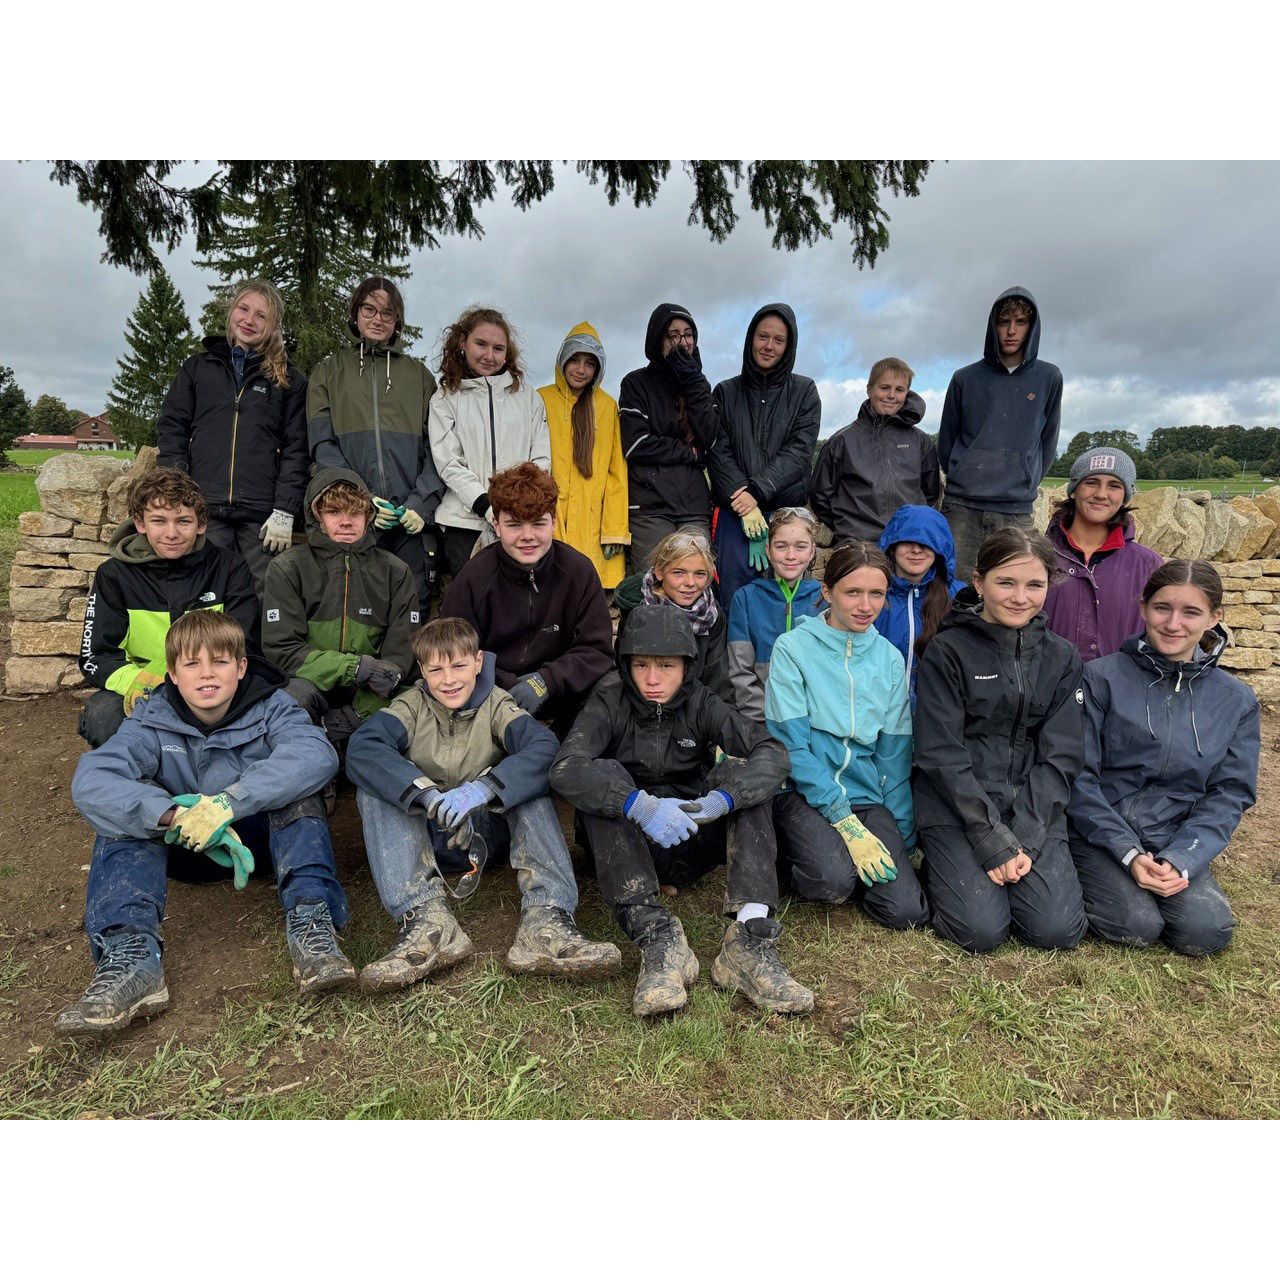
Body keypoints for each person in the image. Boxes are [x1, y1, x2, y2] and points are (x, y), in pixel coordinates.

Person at [58, 611, 354, 1038]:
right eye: (192, 664)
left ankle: (312, 924)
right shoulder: (150, 717)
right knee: (125, 812)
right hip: (185, 846)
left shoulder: (273, 706)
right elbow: (93, 780)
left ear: (241, 667)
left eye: (219, 661)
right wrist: (171, 814)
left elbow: (315, 754)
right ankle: (131, 954)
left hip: (257, 845)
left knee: (298, 793)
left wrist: (228, 803)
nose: (206, 674)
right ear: (173, 674)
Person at [551, 605, 811, 1017]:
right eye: (642, 665)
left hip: (691, 831)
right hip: (632, 845)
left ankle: (749, 938)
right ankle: (658, 939)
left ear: (687, 666)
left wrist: (719, 801)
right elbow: (565, 768)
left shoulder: (702, 701)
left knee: (742, 778)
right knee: (602, 776)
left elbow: (772, 752)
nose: (653, 679)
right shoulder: (608, 699)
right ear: (626, 664)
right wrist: (638, 805)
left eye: (667, 666)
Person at [345, 616, 620, 990]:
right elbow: (363, 748)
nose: (449, 680)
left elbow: (543, 747)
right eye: (436, 670)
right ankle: (426, 922)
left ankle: (547, 921)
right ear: (422, 670)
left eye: (459, 666)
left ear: (478, 662)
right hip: (428, 837)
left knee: (526, 787)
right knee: (375, 788)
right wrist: (425, 794)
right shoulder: (409, 706)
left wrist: (484, 789)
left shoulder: (497, 703)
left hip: (486, 834)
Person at [913, 527, 1088, 954]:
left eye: (1034, 585)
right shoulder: (947, 651)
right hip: (958, 806)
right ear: (979, 582)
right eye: (1006, 582)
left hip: (1032, 806)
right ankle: (938, 867)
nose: (1020, 597)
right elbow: (941, 754)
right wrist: (990, 837)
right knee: (980, 931)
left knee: (1055, 931)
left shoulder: (1063, 657)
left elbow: (1062, 755)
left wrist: (1025, 835)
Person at [1068, 560, 1253, 956]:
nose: (1173, 624)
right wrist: (1128, 852)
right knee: (1136, 924)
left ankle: (1168, 876)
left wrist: (1184, 857)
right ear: (1143, 607)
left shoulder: (1236, 700)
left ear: (1214, 618)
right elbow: (1078, 777)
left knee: (1205, 932)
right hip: (1102, 832)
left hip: (1175, 835)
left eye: (1191, 612)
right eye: (1162, 608)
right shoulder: (1099, 678)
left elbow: (1230, 792)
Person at [765, 542, 929, 930]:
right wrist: (844, 822)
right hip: (803, 792)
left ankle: (843, 860)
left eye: (877, 594)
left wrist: (901, 837)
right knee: (830, 881)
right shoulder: (792, 648)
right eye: (852, 592)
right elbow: (792, 747)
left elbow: (893, 753)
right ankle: (800, 854)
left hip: (865, 796)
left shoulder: (889, 658)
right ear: (827, 591)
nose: (865, 605)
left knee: (906, 912)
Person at [78, 466, 259, 747]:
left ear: (201, 523)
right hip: (142, 684)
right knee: (102, 718)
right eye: (159, 521)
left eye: (183, 521)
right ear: (140, 523)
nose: (171, 533)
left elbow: (244, 643)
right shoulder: (113, 575)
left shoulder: (229, 567)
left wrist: (201, 681)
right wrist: (140, 681)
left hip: (212, 683)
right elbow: (96, 656)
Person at [440, 463, 614, 738]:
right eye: (514, 525)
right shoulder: (474, 577)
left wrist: (545, 681)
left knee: (611, 687)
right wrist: (506, 686)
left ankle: (570, 752)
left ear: (553, 522)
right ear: (496, 525)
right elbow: (454, 652)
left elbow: (597, 651)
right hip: (493, 699)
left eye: (538, 523)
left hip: (563, 698)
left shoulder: (578, 571)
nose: (527, 536)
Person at [157, 279, 308, 594]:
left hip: (262, 513)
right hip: (205, 506)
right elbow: (173, 428)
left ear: (274, 325)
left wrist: (285, 509)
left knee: (265, 591)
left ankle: (257, 634)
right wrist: (177, 487)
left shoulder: (289, 381)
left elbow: (297, 448)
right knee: (205, 589)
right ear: (231, 312)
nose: (249, 320)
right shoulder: (198, 368)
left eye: (261, 315)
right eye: (244, 309)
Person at [306, 276, 444, 612]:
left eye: (387, 312)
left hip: (409, 524)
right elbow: (323, 447)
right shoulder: (328, 372)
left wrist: (420, 504)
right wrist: (362, 500)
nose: (378, 319)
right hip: (354, 519)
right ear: (355, 313)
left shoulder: (420, 376)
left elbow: (438, 449)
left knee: (411, 611)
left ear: (398, 321)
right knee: (353, 612)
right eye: (369, 309)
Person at [262, 468, 417, 747]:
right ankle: (308, 761)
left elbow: (400, 656)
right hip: (310, 683)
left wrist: (359, 712)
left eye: (355, 513)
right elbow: (282, 650)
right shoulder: (287, 568)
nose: (346, 522)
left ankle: (365, 753)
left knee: (416, 695)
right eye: (334, 512)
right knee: (289, 699)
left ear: (368, 517)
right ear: (317, 516)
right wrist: (354, 667)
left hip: (372, 689)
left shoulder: (395, 571)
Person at [937, 287, 1063, 581]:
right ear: (992, 326)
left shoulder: (1049, 377)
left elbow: (1048, 441)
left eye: (1020, 322)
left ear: (1032, 327)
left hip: (1015, 509)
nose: (1011, 331)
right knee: (954, 589)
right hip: (962, 507)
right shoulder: (964, 378)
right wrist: (962, 471)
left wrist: (1025, 478)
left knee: (1011, 589)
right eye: (1003, 322)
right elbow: (947, 441)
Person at [707, 304, 821, 609]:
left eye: (779, 340)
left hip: (785, 511)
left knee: (786, 599)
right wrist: (744, 500)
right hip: (735, 512)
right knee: (735, 598)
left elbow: (799, 450)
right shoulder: (725, 392)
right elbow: (718, 449)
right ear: (751, 339)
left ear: (789, 346)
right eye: (763, 337)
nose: (769, 346)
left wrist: (757, 491)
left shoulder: (805, 391)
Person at [429, 306, 550, 578]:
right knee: (471, 599)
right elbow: (448, 462)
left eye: (498, 348)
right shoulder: (445, 398)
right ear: (463, 343)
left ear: (507, 353)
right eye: (481, 344)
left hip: (518, 522)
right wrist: (485, 505)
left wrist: (517, 506)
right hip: (464, 525)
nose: (489, 355)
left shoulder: (528, 398)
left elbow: (540, 459)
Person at [618, 303, 719, 573]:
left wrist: (693, 382)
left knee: (696, 581)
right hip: (650, 505)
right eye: (673, 335)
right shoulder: (636, 384)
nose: (682, 342)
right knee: (652, 582)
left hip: (694, 504)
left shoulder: (699, 384)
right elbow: (636, 445)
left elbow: (710, 440)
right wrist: (690, 453)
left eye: (688, 335)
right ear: (657, 339)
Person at [1044, 446, 1162, 662]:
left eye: (1114, 485)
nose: (1100, 494)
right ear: (1074, 489)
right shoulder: (1038, 554)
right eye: (1091, 482)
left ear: (1125, 496)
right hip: (1046, 681)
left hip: (1120, 682)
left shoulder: (1148, 564)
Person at [537, 321, 629, 590]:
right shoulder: (540, 399)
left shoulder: (607, 405)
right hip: (551, 512)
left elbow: (616, 470)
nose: (581, 370)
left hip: (593, 520)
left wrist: (614, 530)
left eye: (590, 363)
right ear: (562, 360)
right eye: (574, 360)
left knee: (589, 593)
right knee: (549, 590)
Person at [809, 357, 937, 545]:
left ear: (907, 393)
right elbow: (820, 497)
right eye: (885, 388)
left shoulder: (921, 442)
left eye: (899, 389)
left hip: (908, 540)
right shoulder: (841, 442)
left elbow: (930, 493)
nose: (891, 395)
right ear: (869, 389)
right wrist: (849, 528)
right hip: (858, 544)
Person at [727, 506, 825, 722]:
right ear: (768, 550)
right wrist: (768, 719)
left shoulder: (825, 599)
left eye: (801, 547)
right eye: (781, 546)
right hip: (762, 721)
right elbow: (740, 672)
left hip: (813, 721)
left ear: (812, 552)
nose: (791, 556)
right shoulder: (745, 598)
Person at [614, 527, 729, 700]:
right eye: (678, 573)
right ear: (660, 572)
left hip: (698, 705)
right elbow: (628, 676)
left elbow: (717, 676)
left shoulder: (711, 613)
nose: (690, 583)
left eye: (700, 574)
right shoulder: (638, 612)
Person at [874, 503, 960, 700]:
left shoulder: (958, 598)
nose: (916, 550)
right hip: (879, 707)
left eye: (926, 543)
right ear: (892, 546)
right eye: (907, 541)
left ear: (940, 548)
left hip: (934, 709)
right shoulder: (872, 593)